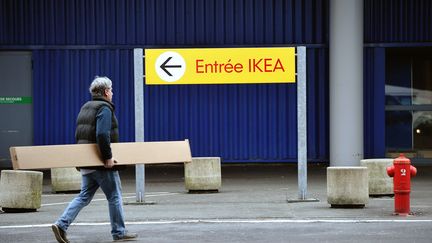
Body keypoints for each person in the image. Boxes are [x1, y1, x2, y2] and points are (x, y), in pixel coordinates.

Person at [51, 76, 138, 242]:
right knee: (114, 196)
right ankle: (119, 232)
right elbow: (101, 134)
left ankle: (61, 224)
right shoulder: (104, 108)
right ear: (106, 92)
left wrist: (81, 160)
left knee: (84, 196)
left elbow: (80, 134)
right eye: (111, 90)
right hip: (100, 163)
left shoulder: (86, 107)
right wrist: (108, 157)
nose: (112, 93)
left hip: (86, 162)